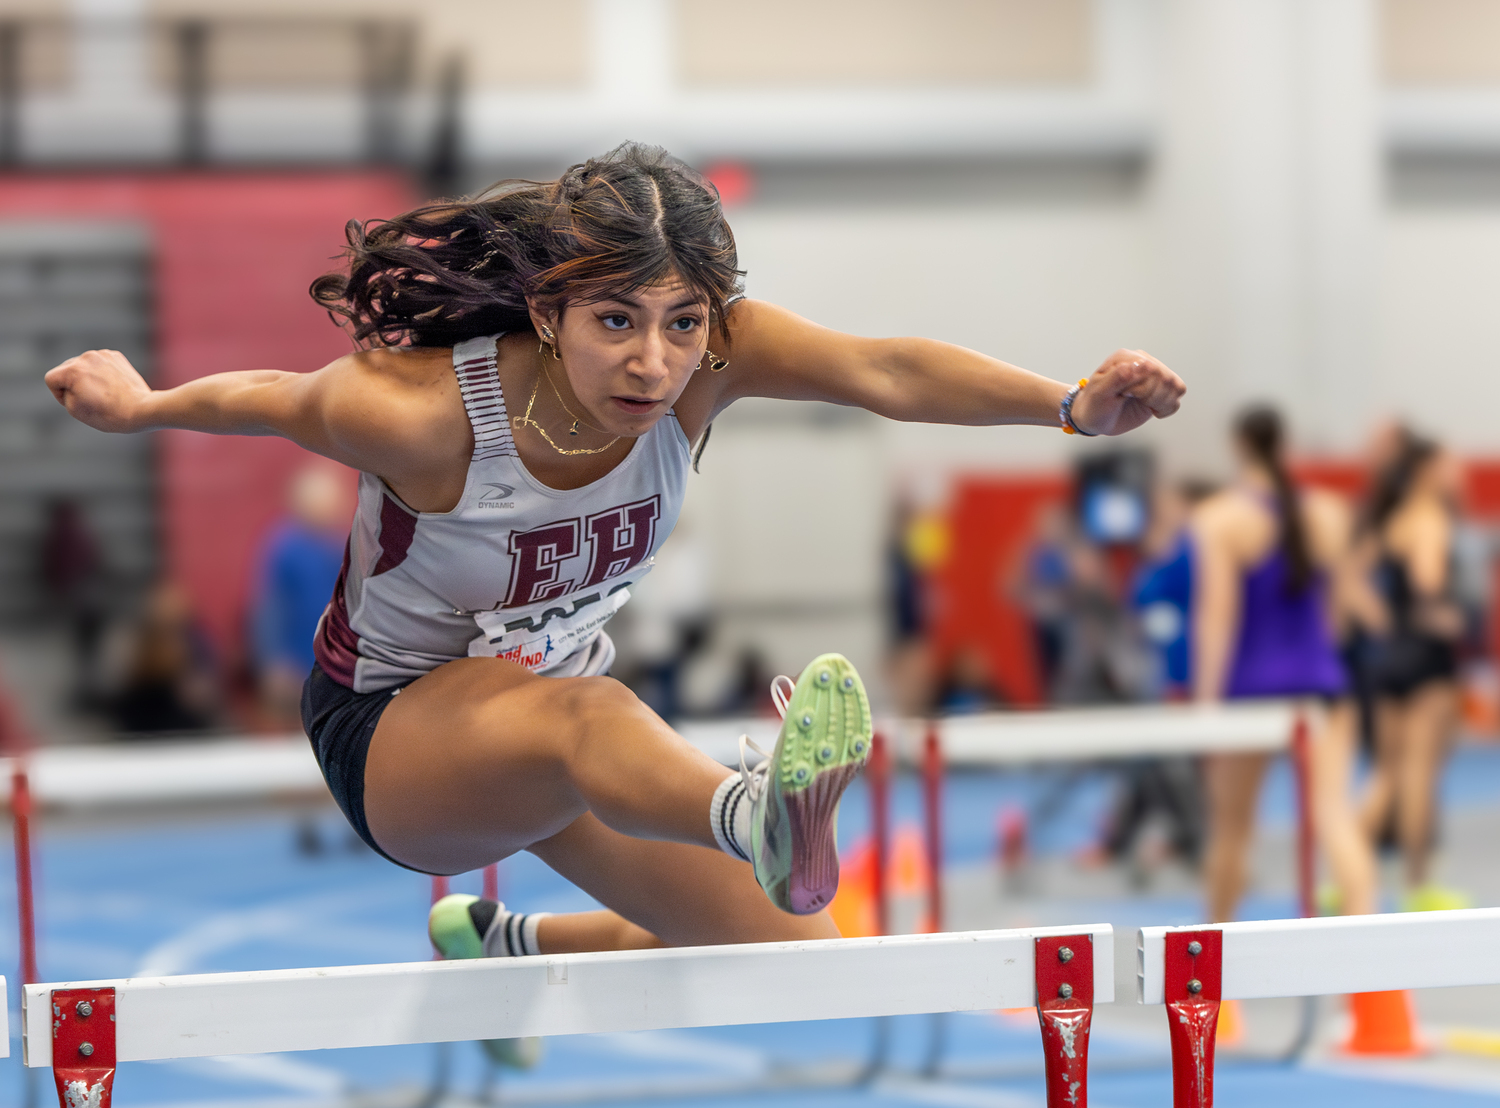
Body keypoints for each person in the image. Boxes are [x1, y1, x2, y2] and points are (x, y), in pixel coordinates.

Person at [44, 144, 1185, 963]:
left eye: (683, 323)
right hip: (397, 737)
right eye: (617, 322)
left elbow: (887, 370)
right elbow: (276, 396)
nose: (653, 363)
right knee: (591, 722)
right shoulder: (428, 413)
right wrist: (142, 408)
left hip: (554, 725)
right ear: (549, 309)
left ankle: (513, 944)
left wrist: (1074, 407)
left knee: (799, 950)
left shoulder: (714, 365)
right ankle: (754, 813)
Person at [1192, 407, 1376, 924]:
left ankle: (1210, 972)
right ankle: (1373, 974)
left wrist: (1205, 710)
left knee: (1231, 830)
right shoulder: (1329, 512)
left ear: (1238, 446)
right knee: (1334, 817)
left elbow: (1216, 619)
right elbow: (1336, 613)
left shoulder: (1220, 519)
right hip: (1321, 686)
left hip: (1250, 691)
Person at [1357, 435, 1468, 910]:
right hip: (1426, 661)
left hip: (1387, 659)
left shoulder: (1392, 518)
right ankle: (1419, 887)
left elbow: (1349, 577)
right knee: (1420, 774)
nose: (1457, 474)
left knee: (1386, 772)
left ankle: (1348, 871)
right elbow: (1427, 582)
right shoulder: (1431, 518)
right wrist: (1443, 614)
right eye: (1449, 466)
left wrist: (1382, 618)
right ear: (1427, 471)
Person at [250, 462, 352, 728]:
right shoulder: (283, 546)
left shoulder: (338, 544)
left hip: (331, 664)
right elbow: (269, 607)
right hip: (294, 664)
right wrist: (274, 661)